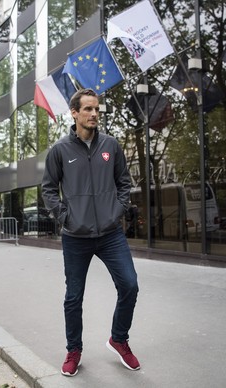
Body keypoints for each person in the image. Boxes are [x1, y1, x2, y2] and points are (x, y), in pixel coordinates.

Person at [42, 88, 140, 376]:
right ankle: (74, 350)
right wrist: (65, 218)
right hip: (75, 236)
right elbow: (48, 189)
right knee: (74, 296)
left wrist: (118, 209)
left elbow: (124, 182)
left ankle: (119, 339)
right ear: (74, 113)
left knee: (130, 286)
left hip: (110, 233)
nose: (94, 113)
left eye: (96, 109)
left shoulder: (111, 145)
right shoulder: (60, 150)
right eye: (88, 109)